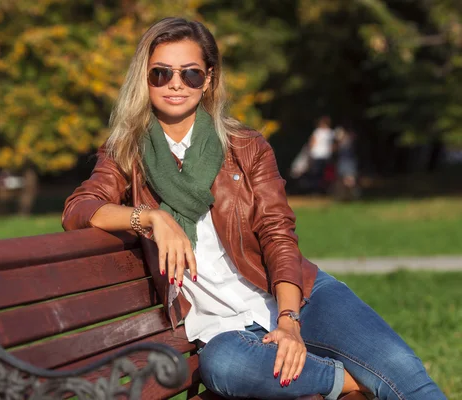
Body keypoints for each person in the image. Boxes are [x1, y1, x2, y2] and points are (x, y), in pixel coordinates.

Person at [62, 17, 445, 400]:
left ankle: (363, 372)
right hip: (225, 330)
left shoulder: (245, 147)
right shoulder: (125, 153)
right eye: (160, 73)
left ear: (209, 79)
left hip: (300, 298)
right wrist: (149, 217)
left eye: (190, 74)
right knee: (224, 367)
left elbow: (278, 234)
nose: (176, 84)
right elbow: (79, 209)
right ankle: (352, 380)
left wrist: (289, 321)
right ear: (144, 79)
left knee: (405, 374)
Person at [307, 116, 335, 193]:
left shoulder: (330, 132)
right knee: (316, 173)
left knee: (325, 174)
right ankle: (316, 190)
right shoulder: (317, 132)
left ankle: (323, 190)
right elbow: (312, 142)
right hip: (317, 154)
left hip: (326, 155)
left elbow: (333, 144)